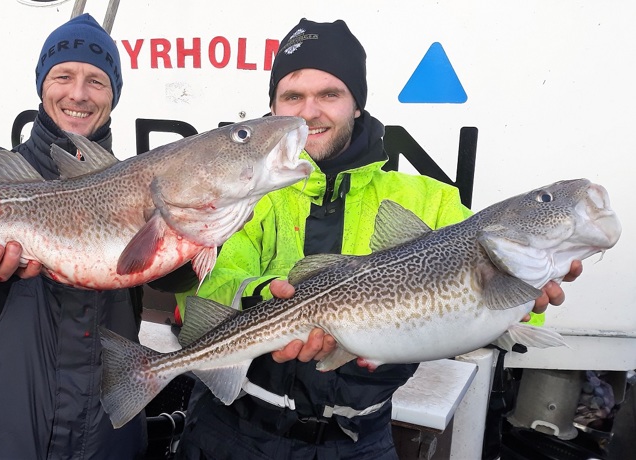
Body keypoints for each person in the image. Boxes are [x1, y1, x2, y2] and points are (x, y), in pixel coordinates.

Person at [171, 19, 582, 459]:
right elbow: (203, 292)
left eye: (330, 94)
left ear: (357, 105)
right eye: (293, 97)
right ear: (273, 110)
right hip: (232, 430)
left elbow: (510, 314)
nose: (310, 112)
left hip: (359, 440)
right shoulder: (243, 198)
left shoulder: (432, 200)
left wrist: (526, 296)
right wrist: (274, 300)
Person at [0, 13, 145, 459]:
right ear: (42, 85)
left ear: (114, 95)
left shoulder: (138, 189)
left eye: (96, 81)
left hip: (104, 434)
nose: (78, 94)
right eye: (63, 76)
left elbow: (172, 275)